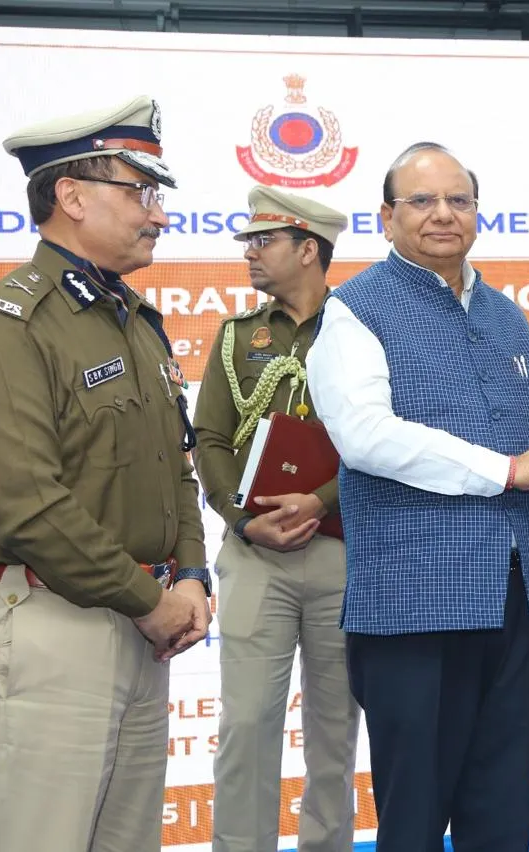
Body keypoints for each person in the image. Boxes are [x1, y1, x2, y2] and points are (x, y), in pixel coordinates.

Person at [0, 95, 212, 852]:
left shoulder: (137, 323)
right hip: (52, 623)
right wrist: (149, 599)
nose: (158, 215)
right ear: (72, 196)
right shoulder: (4, 324)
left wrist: (189, 575)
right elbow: (25, 505)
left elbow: (175, 471)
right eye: (141, 193)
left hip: (140, 623)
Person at [305, 141, 529, 852]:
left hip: (518, 595)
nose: (443, 215)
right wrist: (506, 470)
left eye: (459, 201)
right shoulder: (353, 312)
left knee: (501, 809)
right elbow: (367, 436)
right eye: (422, 201)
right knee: (416, 817)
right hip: (413, 604)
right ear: (386, 217)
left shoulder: (507, 315)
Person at [193, 186, 359, 852]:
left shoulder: (363, 330)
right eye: (248, 243)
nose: (250, 254)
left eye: (264, 242)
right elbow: (208, 436)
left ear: (309, 249)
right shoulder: (239, 336)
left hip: (342, 550)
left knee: (334, 732)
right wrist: (239, 518)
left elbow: (387, 442)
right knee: (247, 727)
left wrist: (320, 500)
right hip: (256, 553)